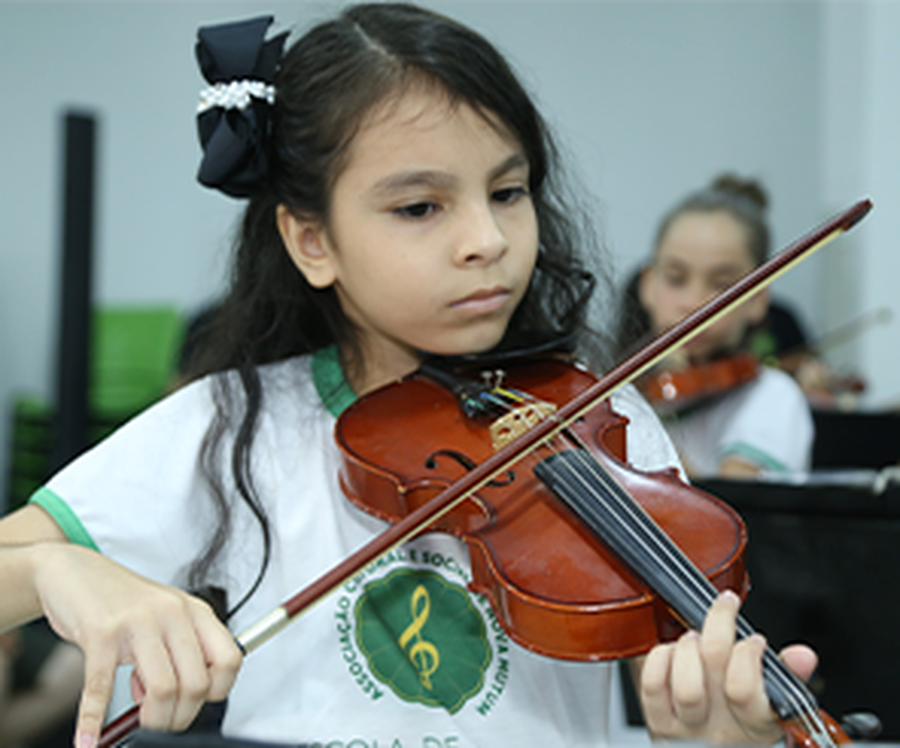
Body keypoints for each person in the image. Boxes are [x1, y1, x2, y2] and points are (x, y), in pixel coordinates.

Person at [0, 7, 816, 748]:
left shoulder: (603, 419)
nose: (487, 240)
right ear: (312, 240)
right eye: (421, 207)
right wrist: (54, 568)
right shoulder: (241, 422)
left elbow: (673, 678)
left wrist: (715, 735)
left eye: (507, 191)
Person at [624, 174, 815, 478]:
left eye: (721, 285)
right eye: (676, 279)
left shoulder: (773, 396)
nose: (694, 302)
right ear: (648, 285)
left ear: (756, 300)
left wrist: (643, 438)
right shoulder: (631, 395)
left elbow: (728, 505)